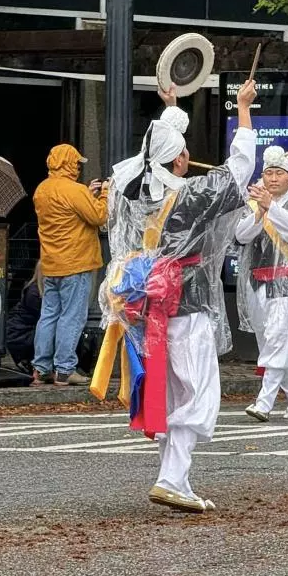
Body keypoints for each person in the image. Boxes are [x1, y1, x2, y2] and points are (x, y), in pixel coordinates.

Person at [91, 79, 258, 512]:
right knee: (197, 394)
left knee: (167, 392)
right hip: (187, 307)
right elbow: (240, 169)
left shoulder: (129, 192)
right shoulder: (190, 197)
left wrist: (170, 111)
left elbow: (142, 160)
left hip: (146, 309)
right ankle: (172, 477)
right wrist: (242, 109)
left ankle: (173, 477)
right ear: (182, 159)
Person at [236, 146, 288, 422]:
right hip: (258, 281)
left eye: (278, 173)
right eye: (268, 173)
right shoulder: (254, 201)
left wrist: (272, 207)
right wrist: (259, 212)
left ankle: (264, 401)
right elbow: (241, 236)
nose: (273, 178)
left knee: (279, 340)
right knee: (271, 342)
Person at [31, 144, 107, 386]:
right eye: (76, 163)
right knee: (71, 317)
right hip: (76, 262)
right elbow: (99, 216)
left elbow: (66, 211)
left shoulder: (42, 189)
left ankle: (40, 368)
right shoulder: (75, 191)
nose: (77, 167)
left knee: (49, 316)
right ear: (69, 163)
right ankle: (64, 369)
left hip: (51, 263)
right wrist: (104, 194)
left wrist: (86, 193)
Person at [5, 261, 43, 373]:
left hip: (19, 332)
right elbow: (41, 316)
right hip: (19, 335)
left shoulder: (33, 289)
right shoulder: (34, 292)